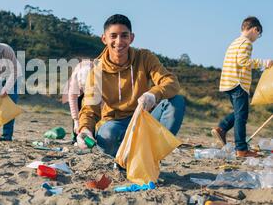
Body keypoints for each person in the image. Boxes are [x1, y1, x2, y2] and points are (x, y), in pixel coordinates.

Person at [77, 14, 186, 156]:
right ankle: (126, 160)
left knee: (176, 101)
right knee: (107, 135)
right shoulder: (96, 70)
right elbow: (90, 109)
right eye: (113, 36)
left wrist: (153, 94)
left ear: (131, 38)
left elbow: (171, 82)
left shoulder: (145, 57)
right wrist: (85, 129)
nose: (119, 41)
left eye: (124, 35)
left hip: (145, 117)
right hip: (116, 124)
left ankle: (151, 156)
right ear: (104, 39)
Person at [211, 17, 273, 158]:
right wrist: (264, 62)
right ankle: (241, 149)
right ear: (255, 29)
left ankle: (222, 128)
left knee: (239, 113)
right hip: (238, 83)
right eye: (259, 34)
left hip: (228, 83)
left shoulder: (235, 42)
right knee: (242, 117)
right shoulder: (247, 43)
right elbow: (243, 61)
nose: (257, 37)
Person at [62, 60, 94, 140]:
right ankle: (76, 137)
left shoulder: (98, 75)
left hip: (95, 88)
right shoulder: (75, 80)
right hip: (78, 89)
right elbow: (73, 101)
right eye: (83, 87)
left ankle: (93, 134)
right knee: (78, 108)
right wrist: (76, 121)